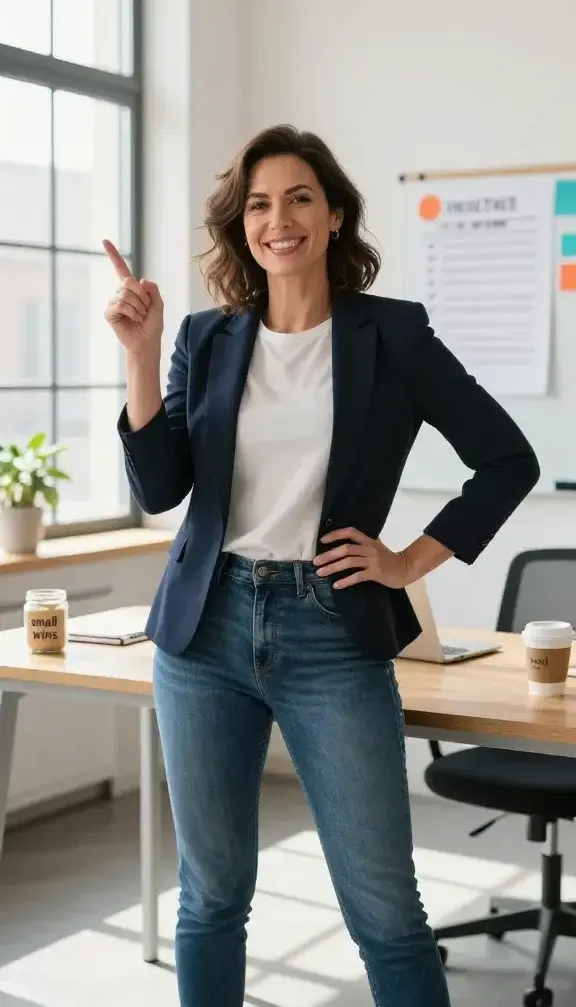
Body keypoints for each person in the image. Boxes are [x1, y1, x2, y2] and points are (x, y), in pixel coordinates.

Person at [104, 125, 539, 1007]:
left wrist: (410, 556)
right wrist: (141, 358)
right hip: (203, 633)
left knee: (385, 911)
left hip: (332, 628)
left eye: (300, 197)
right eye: (259, 204)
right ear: (243, 227)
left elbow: (507, 460)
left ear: (334, 216)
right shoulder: (206, 337)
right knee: (211, 898)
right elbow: (160, 487)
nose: (280, 219)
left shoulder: (395, 336)